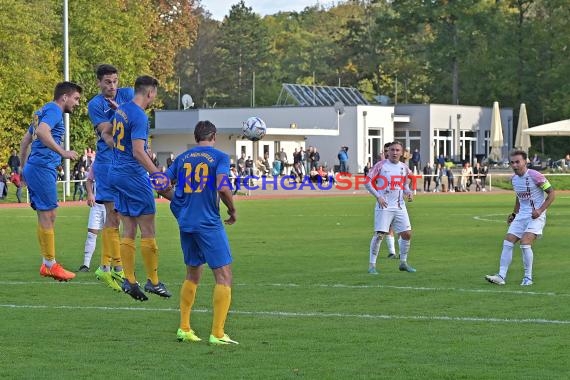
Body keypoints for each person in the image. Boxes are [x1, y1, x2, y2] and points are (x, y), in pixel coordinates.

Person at [162, 120, 239, 345]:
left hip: (186, 223)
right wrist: (232, 210)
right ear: (213, 136)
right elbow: (223, 186)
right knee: (224, 276)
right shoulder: (220, 158)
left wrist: (180, 202)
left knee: (192, 275)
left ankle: (184, 328)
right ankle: (217, 333)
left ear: (196, 137)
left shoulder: (182, 158)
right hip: (208, 223)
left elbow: (161, 183)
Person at [109, 75, 171, 301]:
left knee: (128, 227)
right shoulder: (139, 116)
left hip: (115, 172)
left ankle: (129, 280)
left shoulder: (122, 110)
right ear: (150, 93)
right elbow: (137, 151)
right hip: (132, 174)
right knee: (148, 226)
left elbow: (109, 134)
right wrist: (156, 173)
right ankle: (153, 282)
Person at [19, 81, 82, 281]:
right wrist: (63, 152)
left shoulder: (42, 111)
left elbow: (25, 141)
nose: (77, 103)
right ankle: (50, 264)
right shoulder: (54, 111)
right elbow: (42, 133)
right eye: (76, 98)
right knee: (48, 215)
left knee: (48, 214)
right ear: (65, 97)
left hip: (35, 168)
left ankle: (47, 263)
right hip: (41, 168)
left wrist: (23, 167)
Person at [87, 64, 134, 291]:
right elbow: (108, 135)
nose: (112, 86)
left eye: (115, 81)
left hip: (125, 163)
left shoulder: (127, 94)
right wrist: (120, 114)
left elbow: (139, 117)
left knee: (121, 215)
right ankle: (115, 268)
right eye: (107, 82)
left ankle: (106, 267)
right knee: (113, 214)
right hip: (107, 164)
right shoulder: (95, 105)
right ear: (99, 82)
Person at [485, 150, 555, 286]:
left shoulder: (536, 176)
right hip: (521, 216)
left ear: (525, 161)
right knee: (508, 241)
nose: (515, 165)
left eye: (518, 162)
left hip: (536, 216)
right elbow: (519, 197)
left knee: (525, 242)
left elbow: (552, 193)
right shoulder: (514, 179)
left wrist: (540, 210)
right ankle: (501, 276)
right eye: (512, 162)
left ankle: (528, 278)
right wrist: (514, 214)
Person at [364, 141, 416, 274]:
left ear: (402, 152)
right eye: (392, 150)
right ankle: (372, 266)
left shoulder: (403, 167)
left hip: (399, 206)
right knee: (380, 234)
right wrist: (378, 196)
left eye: (397, 150)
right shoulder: (380, 165)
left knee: (407, 233)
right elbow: (367, 182)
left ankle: (403, 263)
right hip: (384, 205)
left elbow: (404, 185)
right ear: (388, 152)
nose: (394, 152)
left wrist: (408, 192)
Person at [77, 162, 106, 272]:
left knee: (111, 234)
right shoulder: (97, 163)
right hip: (97, 204)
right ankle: (86, 264)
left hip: (112, 204)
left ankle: (109, 265)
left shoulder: (116, 160)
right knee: (91, 234)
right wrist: (90, 193)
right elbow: (89, 180)